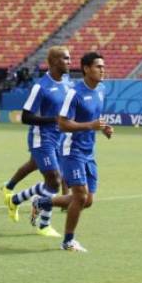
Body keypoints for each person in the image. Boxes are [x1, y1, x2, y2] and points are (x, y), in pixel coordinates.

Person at [4, 47, 72, 237]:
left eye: (70, 58)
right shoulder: (40, 86)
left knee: (52, 182)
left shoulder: (67, 83)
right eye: (66, 58)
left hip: (58, 137)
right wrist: (53, 120)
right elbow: (26, 117)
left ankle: (15, 200)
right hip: (41, 138)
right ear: (54, 61)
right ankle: (44, 225)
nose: (70, 61)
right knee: (55, 180)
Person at [54, 51, 113, 252]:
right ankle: (68, 241)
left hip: (89, 150)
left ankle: (43, 202)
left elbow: (95, 116)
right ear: (86, 69)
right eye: (98, 66)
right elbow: (62, 124)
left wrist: (103, 127)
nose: (102, 70)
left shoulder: (101, 89)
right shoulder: (74, 93)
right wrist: (91, 125)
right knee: (79, 196)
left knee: (87, 201)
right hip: (72, 150)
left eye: (103, 66)